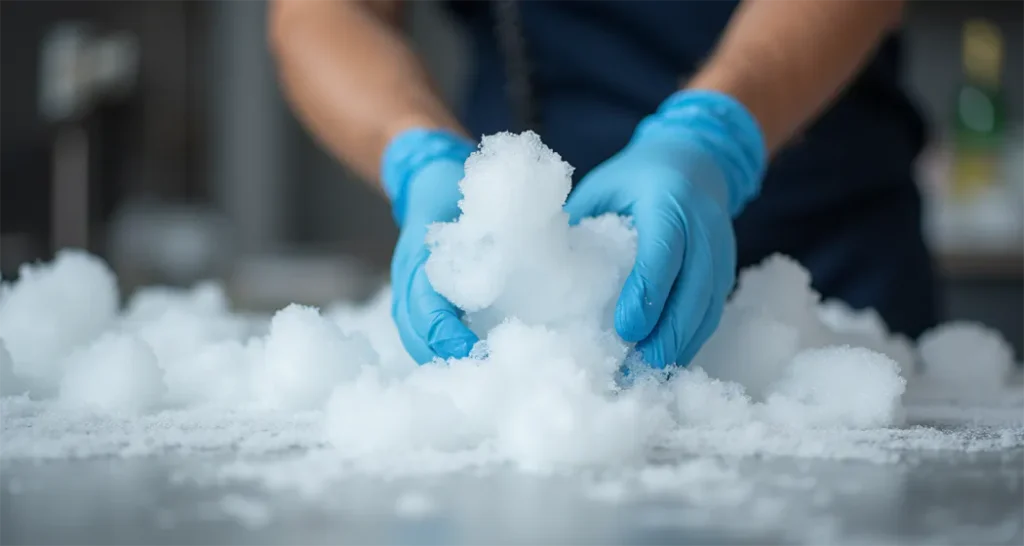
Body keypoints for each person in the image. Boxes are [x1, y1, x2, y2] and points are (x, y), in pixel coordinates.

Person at [268, 0, 939, 368]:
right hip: (522, 303)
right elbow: (324, 13)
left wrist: (713, 135)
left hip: (824, 279)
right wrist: (416, 152)